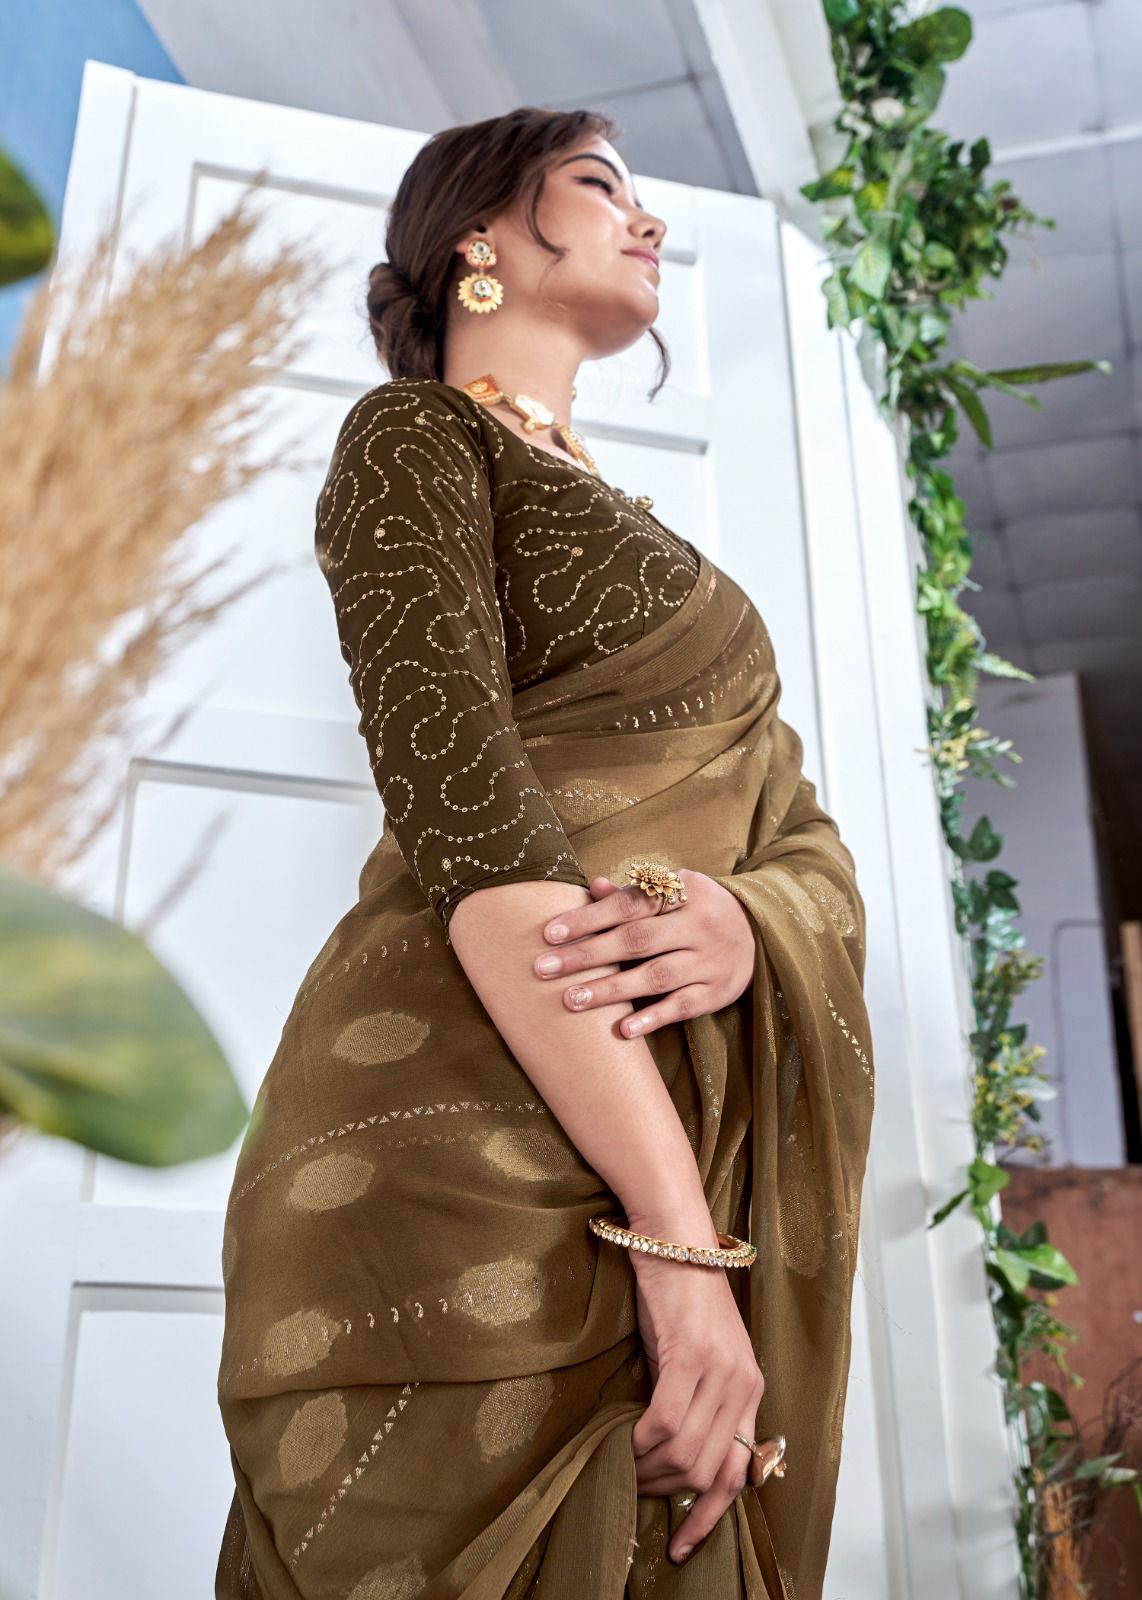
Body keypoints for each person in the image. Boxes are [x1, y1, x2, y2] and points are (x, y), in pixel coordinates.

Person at [215, 106, 875, 1600]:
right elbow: (476, 834)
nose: (648, 220)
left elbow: (803, 836)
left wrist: (745, 920)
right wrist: (679, 1249)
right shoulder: (411, 439)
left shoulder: (632, 526)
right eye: (596, 185)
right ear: (478, 238)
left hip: (656, 1115)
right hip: (465, 1145)